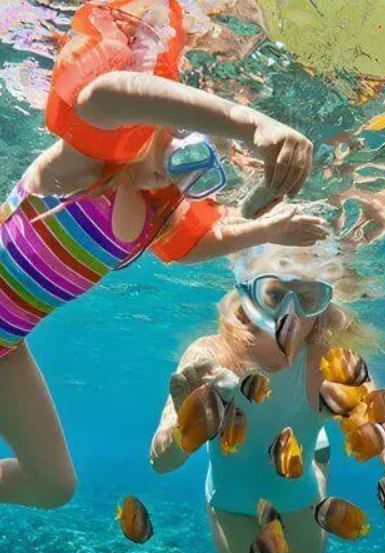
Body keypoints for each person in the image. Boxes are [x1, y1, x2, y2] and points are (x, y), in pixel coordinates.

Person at [0, 0, 331, 512]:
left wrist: (269, 229)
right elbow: (104, 94)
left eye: (197, 162)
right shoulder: (85, 164)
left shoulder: (150, 212)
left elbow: (198, 245)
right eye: (178, 133)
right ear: (154, 117)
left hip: (7, 346)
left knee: (52, 486)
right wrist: (253, 126)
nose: (180, 160)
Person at [149, 247, 376, 553]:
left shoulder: (328, 360)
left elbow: (377, 417)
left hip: (297, 490)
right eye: (274, 294)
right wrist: (184, 425)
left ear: (322, 307)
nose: (289, 313)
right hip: (230, 501)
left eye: (306, 298)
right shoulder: (209, 355)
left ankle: (318, 466)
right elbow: (160, 463)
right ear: (247, 293)